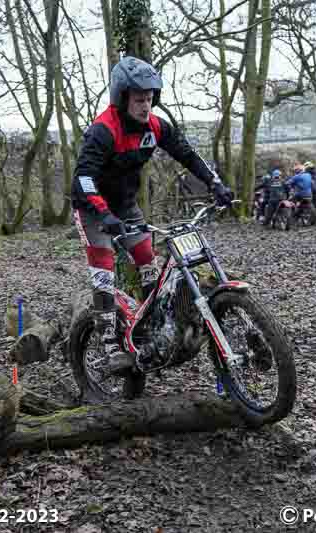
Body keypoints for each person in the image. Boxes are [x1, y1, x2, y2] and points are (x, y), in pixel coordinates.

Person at [71, 56, 233, 375]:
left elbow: (187, 153)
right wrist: (104, 214)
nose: (145, 107)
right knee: (103, 271)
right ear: (122, 98)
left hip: (127, 206)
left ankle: (152, 326)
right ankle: (110, 345)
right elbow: (82, 178)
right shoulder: (104, 130)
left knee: (147, 258)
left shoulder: (155, 127)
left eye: (149, 99)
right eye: (138, 100)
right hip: (94, 208)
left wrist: (215, 183)